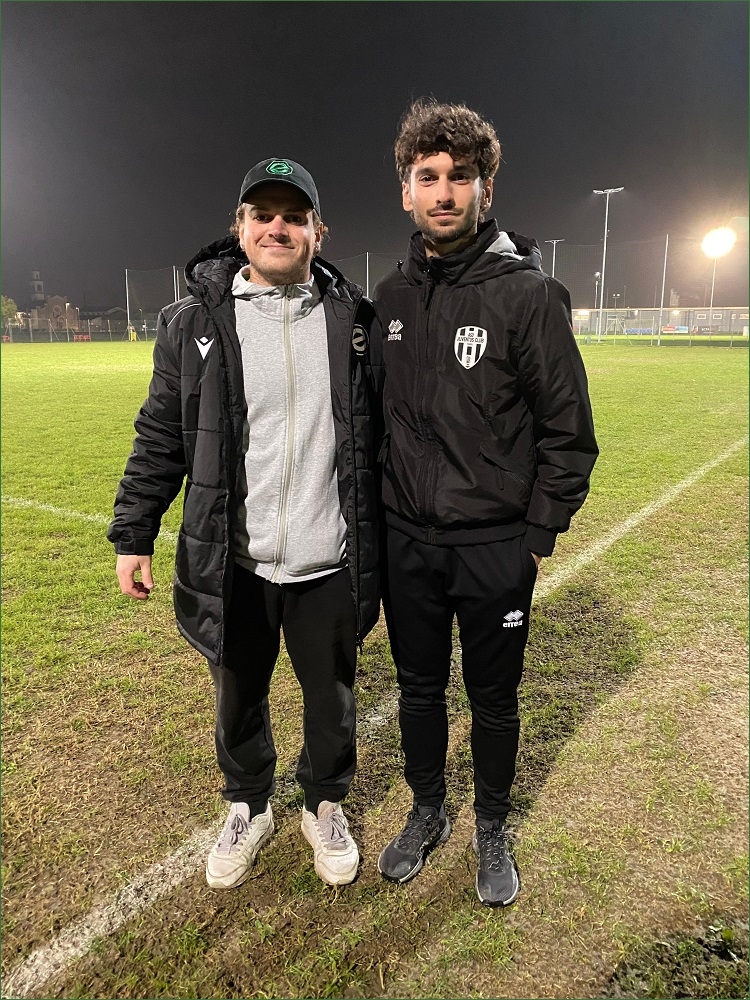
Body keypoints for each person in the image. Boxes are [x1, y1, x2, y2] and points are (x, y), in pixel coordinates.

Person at [108, 158, 382, 890]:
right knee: (237, 698)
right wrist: (134, 532)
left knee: (332, 700)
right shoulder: (193, 322)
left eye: (294, 216)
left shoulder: (355, 323)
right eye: (262, 215)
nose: (277, 228)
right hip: (235, 559)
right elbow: (160, 433)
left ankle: (324, 804)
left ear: (318, 232)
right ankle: (248, 803)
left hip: (329, 557)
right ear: (239, 228)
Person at [373, 100, 598, 906]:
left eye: (460, 176)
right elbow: (371, 421)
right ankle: (427, 809)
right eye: (428, 176)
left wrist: (534, 536)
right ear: (407, 190)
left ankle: (492, 826)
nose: (444, 191)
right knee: (418, 688)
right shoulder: (390, 298)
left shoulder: (528, 296)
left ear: (486, 188)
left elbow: (569, 431)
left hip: (495, 546)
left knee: (493, 698)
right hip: (407, 542)